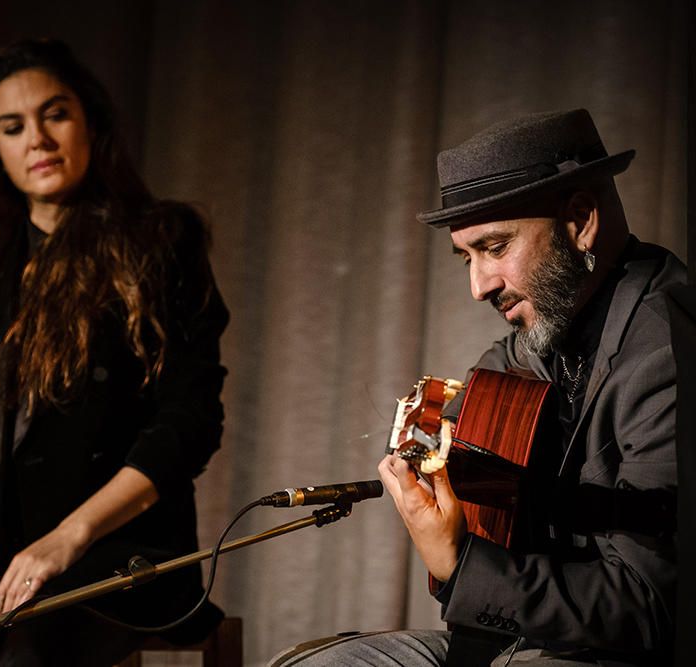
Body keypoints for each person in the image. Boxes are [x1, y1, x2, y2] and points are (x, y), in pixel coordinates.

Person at [272, 109, 683, 666]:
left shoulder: (666, 351)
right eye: (467, 257)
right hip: (520, 640)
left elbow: (649, 609)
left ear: (581, 219)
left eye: (494, 247)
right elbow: (488, 389)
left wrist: (459, 563)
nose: (478, 285)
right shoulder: (554, 323)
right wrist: (440, 442)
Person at [0, 38, 229, 665]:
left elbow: (188, 422)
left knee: (24, 650)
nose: (36, 138)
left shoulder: (161, 241)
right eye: (13, 127)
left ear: (90, 123)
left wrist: (68, 538)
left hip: (114, 551)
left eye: (55, 114)